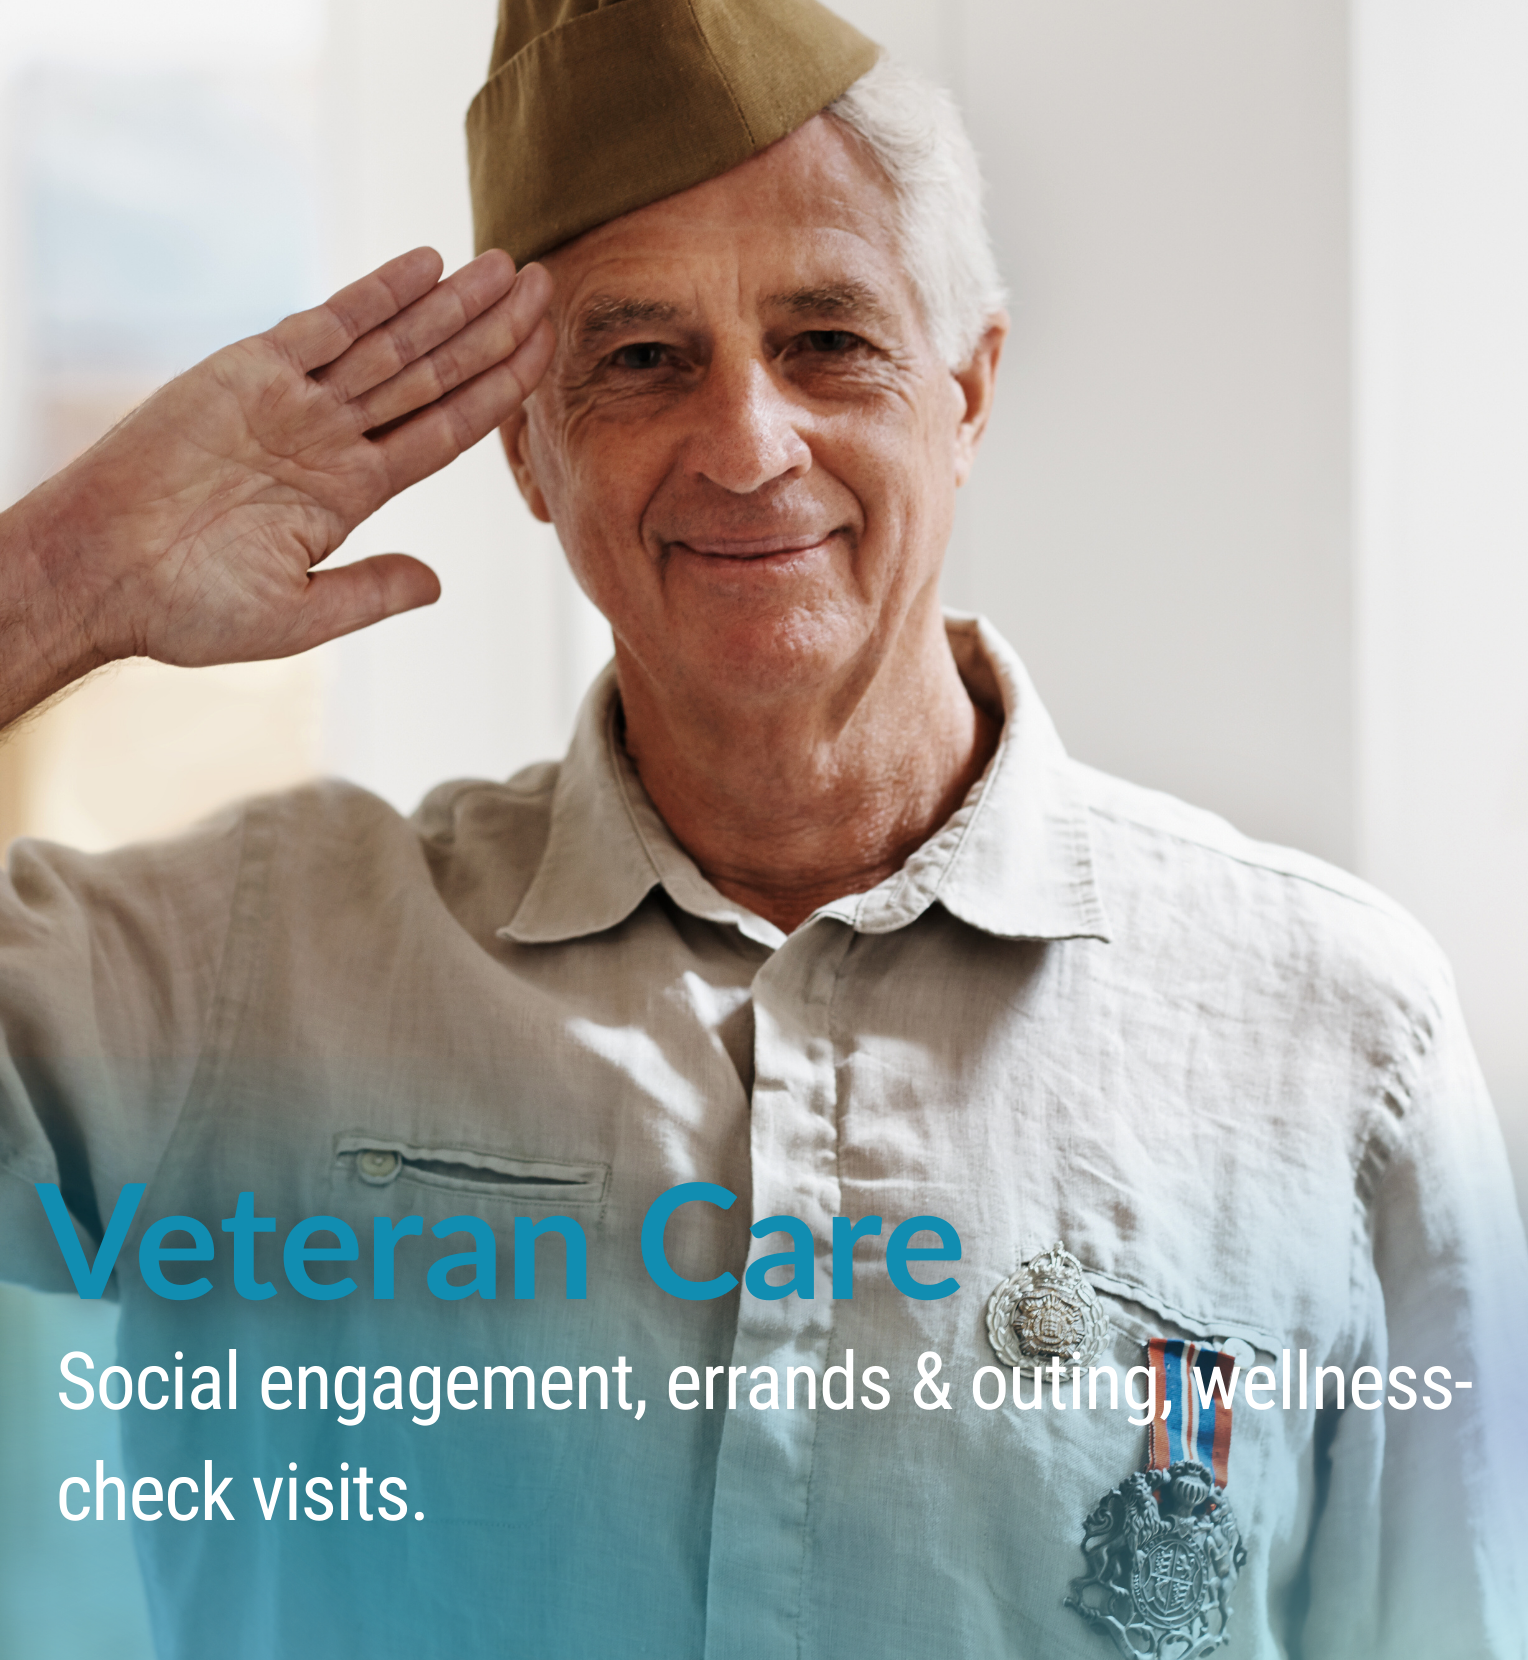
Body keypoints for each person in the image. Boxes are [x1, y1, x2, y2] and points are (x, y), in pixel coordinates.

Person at [1, 1, 1523, 1655]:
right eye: (643, 360)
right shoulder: (232, 976)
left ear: (970, 390)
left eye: (828, 341)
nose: (746, 443)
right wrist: (62, 580)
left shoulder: (1337, 1031)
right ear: (529, 452)